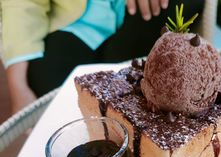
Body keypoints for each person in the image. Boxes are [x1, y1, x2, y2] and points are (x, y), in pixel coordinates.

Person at [1, 0, 204, 113]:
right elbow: (21, 4)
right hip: (76, 24)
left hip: (141, 15)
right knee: (51, 94)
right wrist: (17, 85)